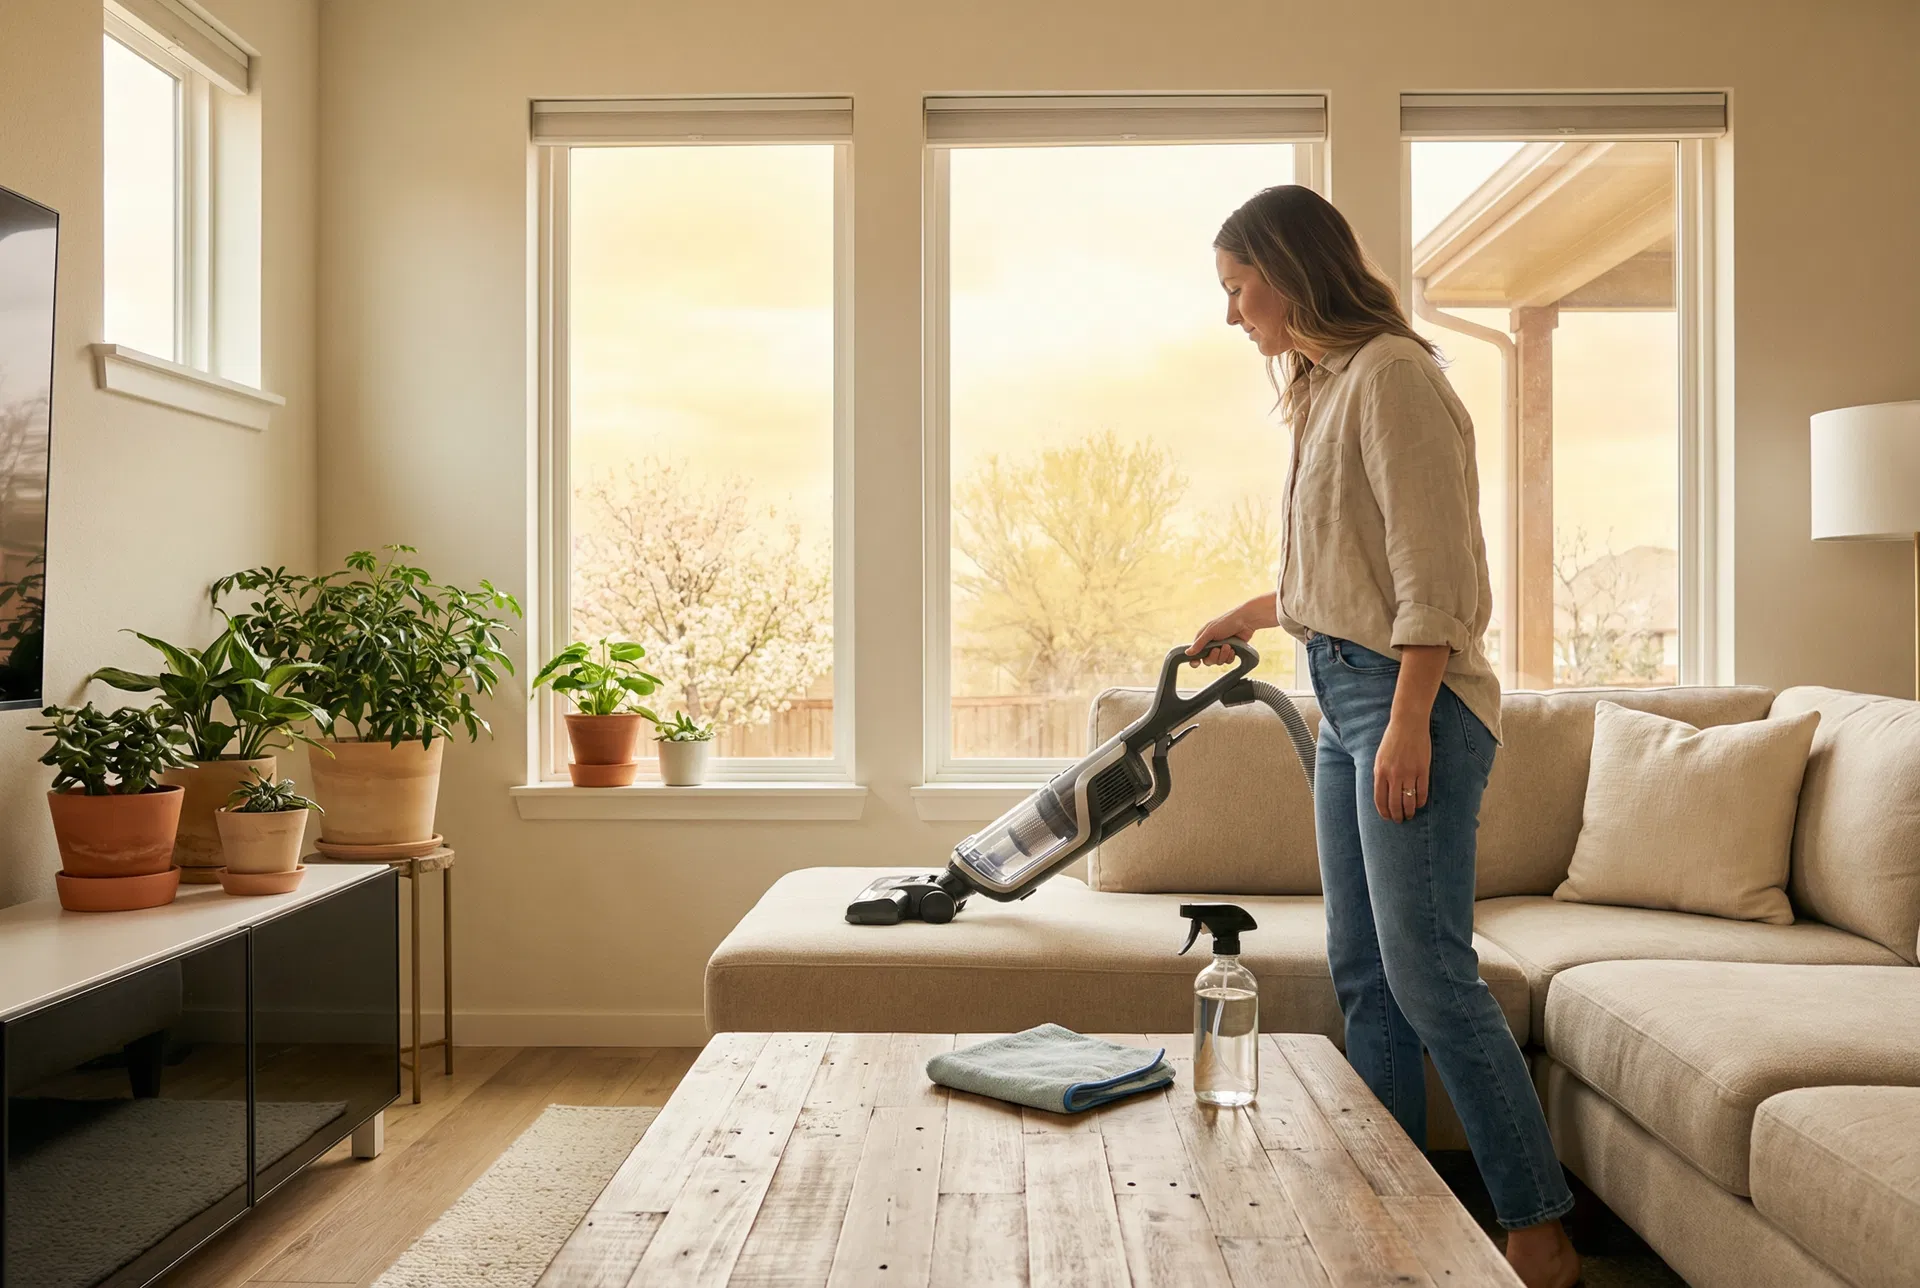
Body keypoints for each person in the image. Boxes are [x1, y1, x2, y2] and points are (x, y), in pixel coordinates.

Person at [1189, 185, 1580, 1288]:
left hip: (1415, 704)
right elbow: (1344, 572)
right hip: (1343, 692)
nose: (1234, 317)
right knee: (1363, 971)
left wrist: (1409, 720)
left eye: (1238, 286)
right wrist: (1252, 611)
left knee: (1428, 973)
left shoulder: (1398, 377)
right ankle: (1390, 1206)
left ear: (1289, 267)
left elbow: (1434, 579)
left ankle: (1539, 1226)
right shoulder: (1327, 388)